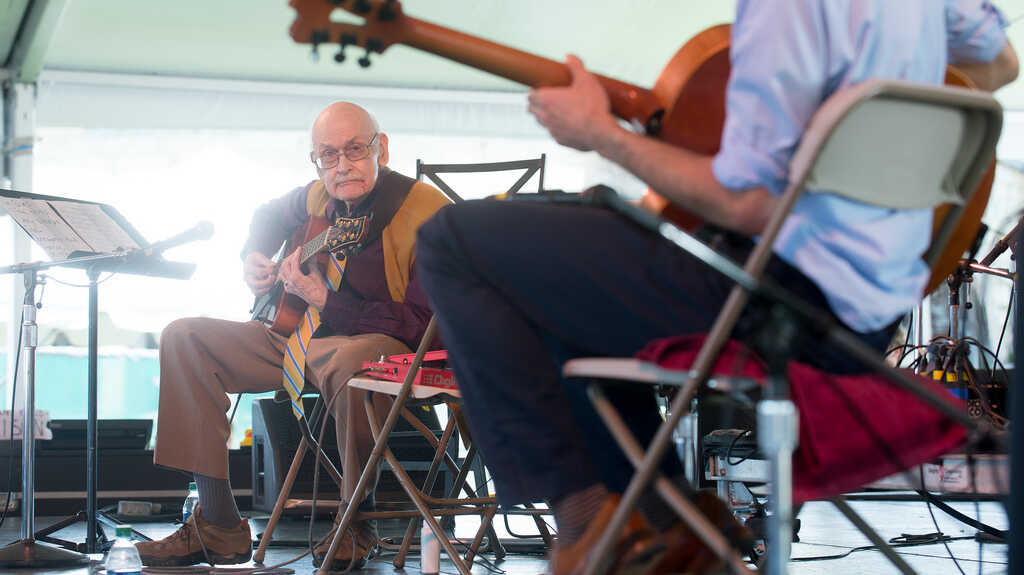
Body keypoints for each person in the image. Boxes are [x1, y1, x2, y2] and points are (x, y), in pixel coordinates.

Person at [415, 1, 1018, 573]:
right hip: (872, 309)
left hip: (774, 302)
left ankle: (592, 520)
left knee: (452, 239)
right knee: (554, 261)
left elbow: (747, 203)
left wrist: (600, 132)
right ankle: (666, 512)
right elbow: (999, 65)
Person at [137, 102, 449, 570]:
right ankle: (218, 524)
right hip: (297, 339)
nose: (341, 166)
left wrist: (328, 301)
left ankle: (354, 522)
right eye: (328, 155)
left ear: (381, 149)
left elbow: (426, 325)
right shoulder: (319, 197)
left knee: (351, 362)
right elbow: (267, 214)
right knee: (184, 337)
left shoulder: (427, 213)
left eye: (354, 150)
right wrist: (254, 254)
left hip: (381, 345)